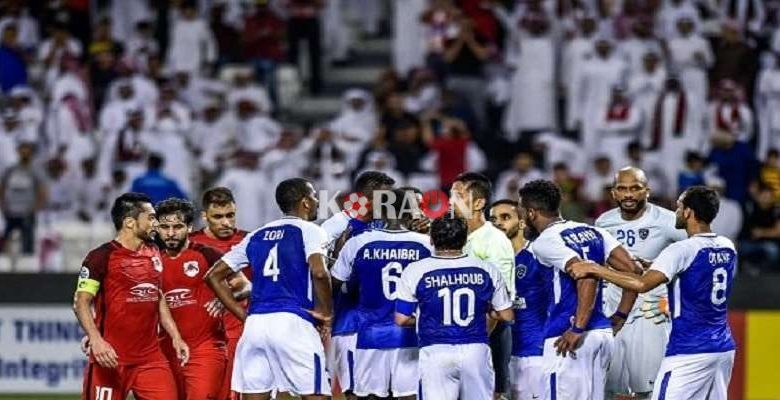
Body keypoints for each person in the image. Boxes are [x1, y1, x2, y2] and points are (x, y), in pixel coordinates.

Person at [570, 186, 737, 399]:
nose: (675, 212)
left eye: (678, 207)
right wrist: (656, 265)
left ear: (688, 212)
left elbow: (641, 285)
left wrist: (596, 268)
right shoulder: (727, 245)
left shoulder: (680, 250)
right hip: (723, 349)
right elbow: (698, 274)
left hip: (689, 351)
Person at [205, 178, 332, 399]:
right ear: (305, 202)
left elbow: (214, 276)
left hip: (255, 326)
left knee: (255, 394)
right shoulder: (310, 230)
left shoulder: (256, 234)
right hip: (294, 322)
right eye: (313, 196)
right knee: (316, 394)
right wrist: (326, 312)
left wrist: (243, 316)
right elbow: (319, 272)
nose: (316, 201)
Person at [518, 179, 639, 400]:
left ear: (532, 213)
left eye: (522, 211)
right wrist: (621, 315)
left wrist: (578, 327)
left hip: (567, 336)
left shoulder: (545, 241)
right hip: (601, 334)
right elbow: (633, 269)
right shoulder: (593, 231)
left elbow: (586, 275)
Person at [73, 192, 189, 399]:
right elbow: (81, 302)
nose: (156, 223)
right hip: (110, 358)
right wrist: (96, 339)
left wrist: (176, 337)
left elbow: (157, 295)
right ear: (130, 222)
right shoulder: (100, 257)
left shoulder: (154, 251)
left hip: (150, 359)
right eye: (151, 218)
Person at [395, 216, 513, 399]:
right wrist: (485, 313)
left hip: (435, 350)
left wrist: (431, 317)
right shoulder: (486, 269)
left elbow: (401, 319)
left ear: (432, 239)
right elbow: (506, 315)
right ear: (465, 239)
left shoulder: (415, 270)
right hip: (476, 349)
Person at [594, 167, 687, 398]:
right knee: (607, 385)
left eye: (635, 188)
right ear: (613, 193)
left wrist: (659, 268)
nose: (628, 194)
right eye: (622, 188)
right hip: (612, 310)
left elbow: (695, 254)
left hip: (650, 312)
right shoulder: (603, 222)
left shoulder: (667, 221)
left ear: (647, 191)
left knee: (649, 387)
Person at [331, 189, 432, 399]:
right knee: (409, 395)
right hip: (409, 334)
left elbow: (335, 282)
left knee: (368, 396)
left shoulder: (359, 243)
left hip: (370, 333)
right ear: (409, 212)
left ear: (381, 212)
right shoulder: (425, 244)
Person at [321, 170, 395, 399]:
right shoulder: (335, 226)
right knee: (356, 392)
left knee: (390, 392)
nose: (392, 202)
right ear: (367, 199)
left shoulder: (388, 224)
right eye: (386, 197)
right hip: (350, 322)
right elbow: (318, 270)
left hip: (387, 323)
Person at [156, 198, 232, 400]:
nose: (170, 233)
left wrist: (224, 298)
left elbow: (244, 285)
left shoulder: (207, 255)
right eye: (165, 227)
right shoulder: (151, 260)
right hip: (165, 350)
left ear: (189, 227)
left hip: (205, 349)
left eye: (177, 227)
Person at [450, 172, 515, 399]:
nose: (451, 202)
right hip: (456, 334)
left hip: (488, 335)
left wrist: (474, 340)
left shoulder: (494, 242)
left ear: (478, 203)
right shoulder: (452, 237)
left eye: (459, 196)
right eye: (451, 196)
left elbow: (499, 302)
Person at [189, 187, 248, 400]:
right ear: (204, 216)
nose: (225, 222)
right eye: (218, 217)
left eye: (230, 215)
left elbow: (260, 285)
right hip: (200, 336)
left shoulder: (249, 242)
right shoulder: (190, 244)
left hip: (238, 334)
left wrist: (230, 298)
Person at [489, 200, 550, 400]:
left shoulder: (539, 255)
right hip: (499, 353)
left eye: (505, 217)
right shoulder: (487, 261)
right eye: (493, 219)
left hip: (534, 352)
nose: (498, 223)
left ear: (523, 223)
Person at [0, 142, 47, 255]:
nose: (24, 154)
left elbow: (43, 191)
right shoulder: (11, 170)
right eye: (22, 151)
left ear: (31, 154)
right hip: (10, 212)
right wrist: (3, 205)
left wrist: (35, 208)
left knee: (27, 243)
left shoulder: (36, 171)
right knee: (5, 241)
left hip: (27, 213)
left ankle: (27, 266)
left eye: (27, 152)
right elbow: (2, 187)